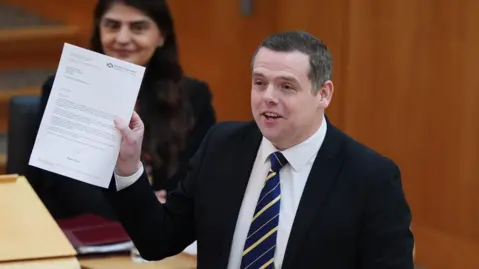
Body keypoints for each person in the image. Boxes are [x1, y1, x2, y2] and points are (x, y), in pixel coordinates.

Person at [106, 30, 414, 268]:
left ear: (324, 93)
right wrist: (129, 168)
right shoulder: (222, 146)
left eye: (286, 86)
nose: (268, 97)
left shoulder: (371, 178)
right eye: (259, 82)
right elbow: (158, 240)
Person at [26, 0, 216, 220]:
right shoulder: (67, 87)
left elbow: (199, 178)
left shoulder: (194, 96)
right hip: (85, 229)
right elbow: (59, 183)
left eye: (138, 27)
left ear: (161, 36)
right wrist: (138, 210)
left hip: (166, 230)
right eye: (112, 25)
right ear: (99, 30)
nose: (122, 38)